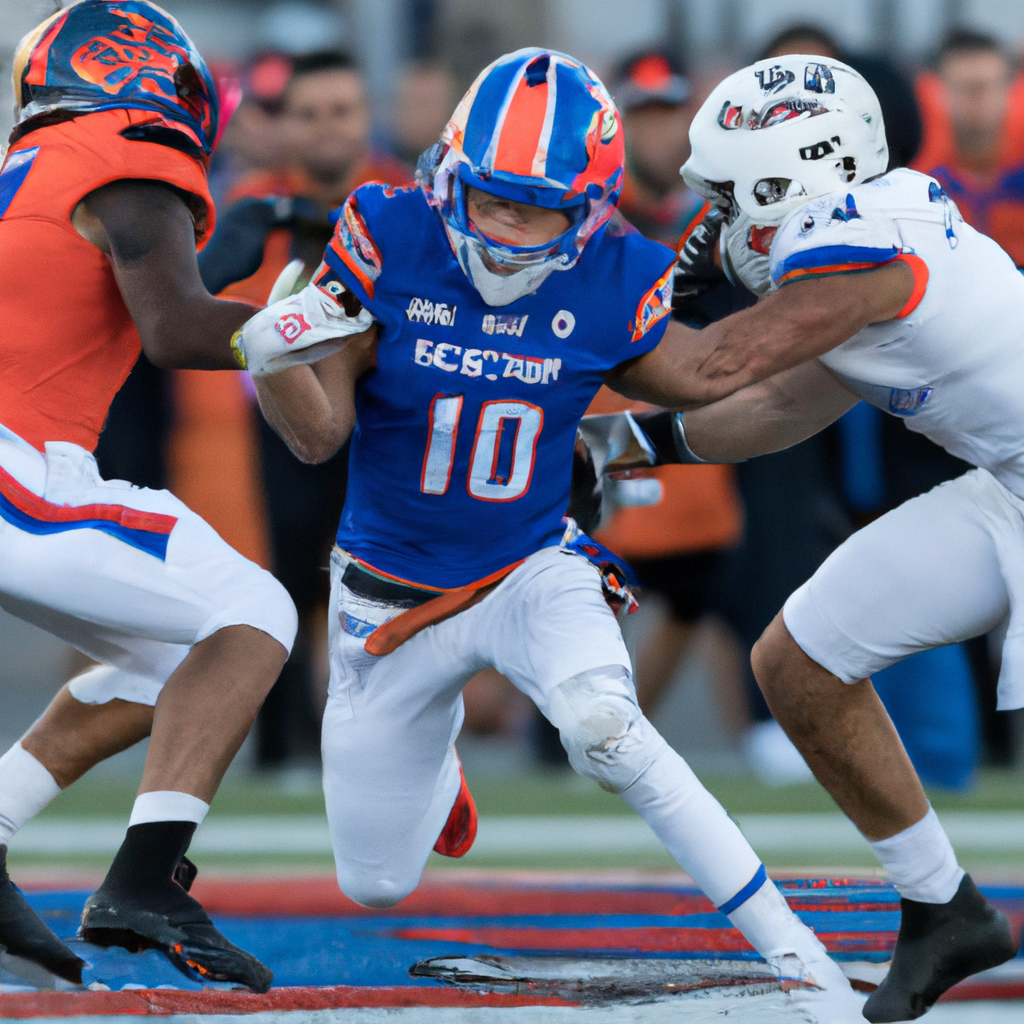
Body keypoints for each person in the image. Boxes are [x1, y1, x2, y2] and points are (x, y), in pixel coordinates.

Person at [234, 47, 868, 1023]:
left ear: (591, 207)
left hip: (530, 565)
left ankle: (799, 959)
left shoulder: (615, 276)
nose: (504, 225)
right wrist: (271, 350)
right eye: (489, 198)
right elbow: (319, 435)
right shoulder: (388, 234)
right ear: (451, 176)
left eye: (534, 207)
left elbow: (708, 378)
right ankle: (436, 758)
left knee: (606, 731)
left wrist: (851, 322)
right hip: (382, 601)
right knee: (375, 884)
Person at [605, 53, 1020, 1021]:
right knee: (800, 661)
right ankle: (943, 906)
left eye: (726, 200)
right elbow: (784, 403)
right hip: (1009, 485)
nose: (713, 226)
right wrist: (623, 444)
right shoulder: (861, 232)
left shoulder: (861, 242)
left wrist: (590, 304)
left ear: (784, 179)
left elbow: (712, 365)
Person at [0, 1, 299, 990]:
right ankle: (144, 880)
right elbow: (175, 328)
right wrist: (329, 328)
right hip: (18, 464)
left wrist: (234, 257)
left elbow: (133, 285)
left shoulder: (46, 167)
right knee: (258, 609)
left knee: (177, 657)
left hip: (20, 459)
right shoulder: (132, 153)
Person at [199, 51, 413, 770]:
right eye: (309, 113)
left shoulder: (404, 198)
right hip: (285, 418)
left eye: (341, 111)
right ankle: (279, 749)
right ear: (284, 124)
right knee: (285, 577)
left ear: (366, 117)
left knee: (384, 581)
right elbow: (237, 320)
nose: (326, 129)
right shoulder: (255, 207)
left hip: (386, 422)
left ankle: (381, 746)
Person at [914, 29, 1024, 266]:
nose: (979, 100)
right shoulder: (911, 159)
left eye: (990, 85)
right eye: (965, 88)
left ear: (1011, 87)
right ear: (935, 89)